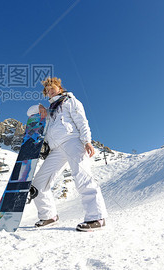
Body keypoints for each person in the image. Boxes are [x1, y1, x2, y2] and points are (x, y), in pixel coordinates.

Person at [31, 77, 108, 231]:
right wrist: (38, 106)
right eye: (47, 90)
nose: (50, 91)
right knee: (38, 183)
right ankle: (49, 216)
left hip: (73, 142)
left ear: (59, 87)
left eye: (52, 88)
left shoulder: (70, 101)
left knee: (82, 177)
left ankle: (97, 217)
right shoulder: (49, 109)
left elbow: (82, 121)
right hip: (56, 149)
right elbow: (29, 112)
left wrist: (86, 141)